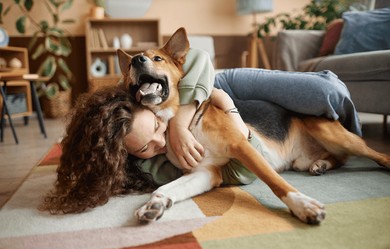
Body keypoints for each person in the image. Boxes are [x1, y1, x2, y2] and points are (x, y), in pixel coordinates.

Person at [40, 48, 362, 214]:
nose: (158, 139)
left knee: (328, 95)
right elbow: (213, 173)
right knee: (322, 110)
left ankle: (347, 129)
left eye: (155, 128)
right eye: (143, 148)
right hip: (245, 122)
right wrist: (163, 194)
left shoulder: (134, 99)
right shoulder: (133, 137)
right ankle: (335, 155)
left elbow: (197, 59)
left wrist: (179, 122)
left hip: (214, 81)